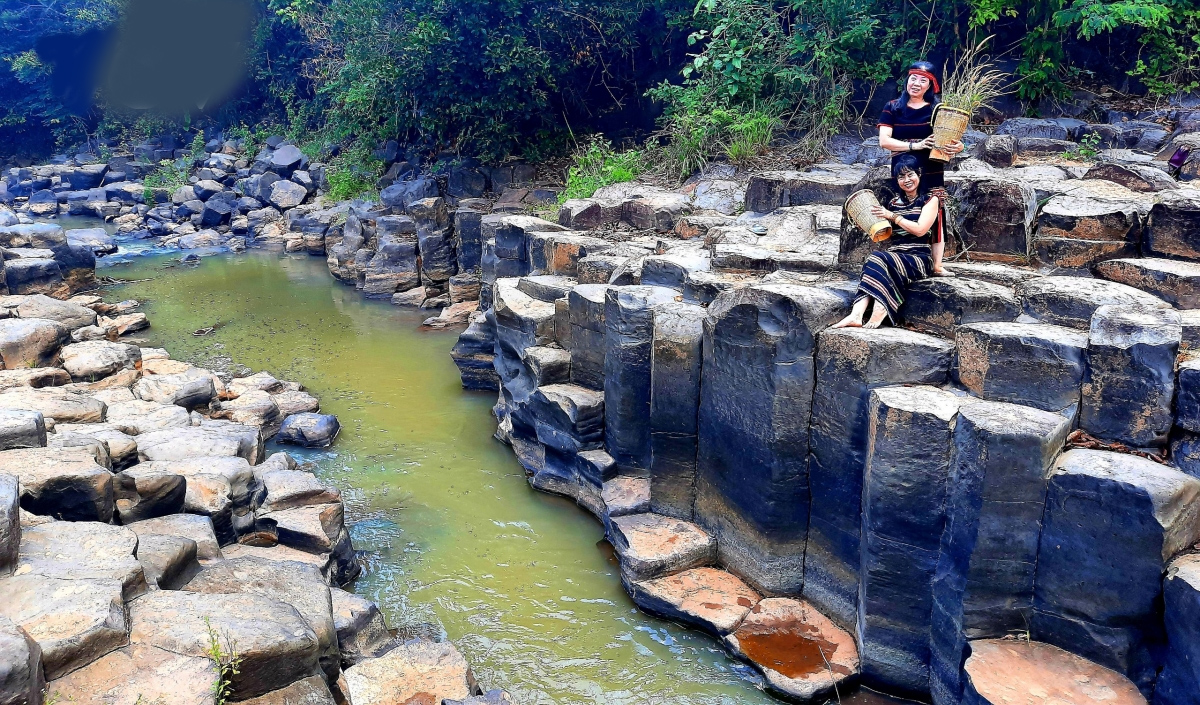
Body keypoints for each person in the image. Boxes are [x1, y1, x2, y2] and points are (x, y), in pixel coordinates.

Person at [833, 154, 950, 330]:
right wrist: (867, 225)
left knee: (876, 258)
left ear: (919, 174)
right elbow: (887, 235)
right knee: (875, 260)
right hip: (895, 256)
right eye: (901, 177)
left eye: (910, 174)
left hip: (919, 258)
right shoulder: (894, 203)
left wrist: (892, 216)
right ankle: (856, 315)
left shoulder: (930, 200)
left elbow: (920, 229)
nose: (906, 180)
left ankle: (881, 307)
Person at [878, 60, 962, 243]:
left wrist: (958, 147)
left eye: (923, 80)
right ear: (907, 80)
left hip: (931, 168)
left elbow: (950, 137)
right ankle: (903, 250)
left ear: (930, 85)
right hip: (903, 170)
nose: (916, 83)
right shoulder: (892, 107)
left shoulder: (937, 109)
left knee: (935, 214)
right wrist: (915, 146)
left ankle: (936, 259)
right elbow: (884, 141)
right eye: (913, 78)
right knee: (903, 208)